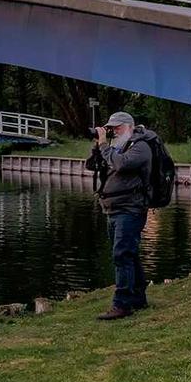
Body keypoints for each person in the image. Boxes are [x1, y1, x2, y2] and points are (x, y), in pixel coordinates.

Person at [83, 111, 150, 320]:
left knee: (121, 255)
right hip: (114, 209)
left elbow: (121, 164)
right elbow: (91, 166)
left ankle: (122, 305)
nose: (113, 131)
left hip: (131, 209)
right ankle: (138, 298)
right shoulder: (117, 147)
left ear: (129, 127)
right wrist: (97, 146)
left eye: (117, 127)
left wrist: (105, 145)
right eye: (111, 128)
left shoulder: (141, 146)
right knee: (128, 253)